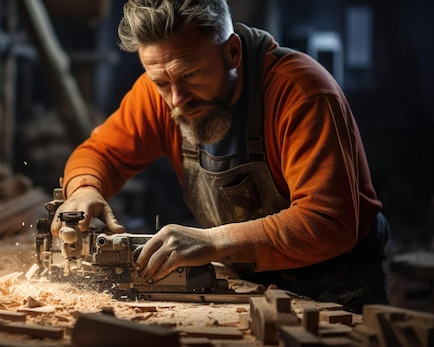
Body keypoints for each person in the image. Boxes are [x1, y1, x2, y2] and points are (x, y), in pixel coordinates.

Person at [50, 0, 390, 313]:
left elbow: (329, 222)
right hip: (250, 280)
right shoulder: (163, 90)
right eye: (161, 83)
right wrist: (84, 188)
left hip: (336, 285)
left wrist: (214, 241)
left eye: (192, 74)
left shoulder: (300, 92)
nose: (177, 100)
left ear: (232, 52)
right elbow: (101, 153)